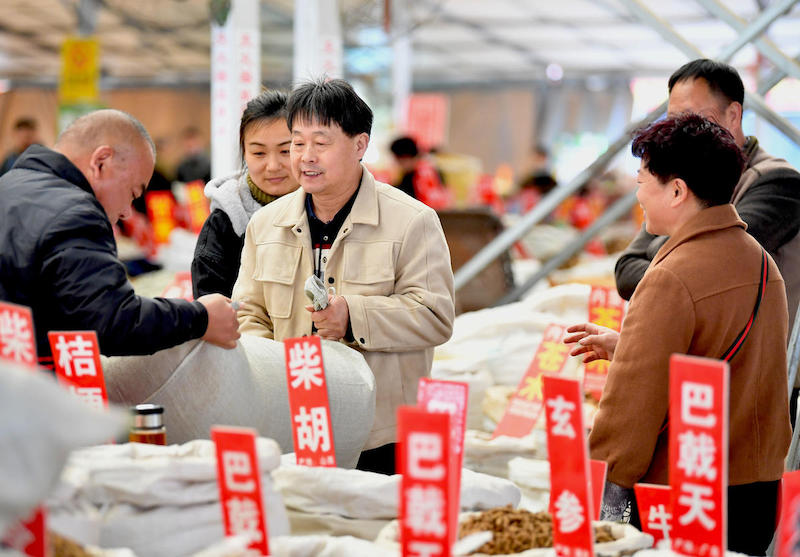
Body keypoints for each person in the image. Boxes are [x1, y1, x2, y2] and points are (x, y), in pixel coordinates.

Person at [566, 114, 790, 555]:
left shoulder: (670, 276)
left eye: (643, 180)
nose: (638, 194)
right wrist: (625, 344)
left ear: (677, 190)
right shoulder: (763, 264)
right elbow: (737, 366)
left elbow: (631, 408)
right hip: (757, 491)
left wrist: (603, 493)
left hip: (684, 495)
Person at [233, 79, 455, 474]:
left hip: (382, 433)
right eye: (297, 143)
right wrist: (269, 374)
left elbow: (434, 316)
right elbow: (249, 312)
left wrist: (352, 316)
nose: (305, 157)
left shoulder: (412, 222)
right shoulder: (266, 225)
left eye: (321, 143)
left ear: (359, 145)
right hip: (295, 424)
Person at [614, 59, 800, 415]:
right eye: (672, 119)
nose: (680, 129)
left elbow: (715, 265)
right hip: (702, 370)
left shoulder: (777, 181)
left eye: (693, 117)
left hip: (767, 384)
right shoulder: (675, 182)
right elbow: (626, 271)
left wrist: (672, 267)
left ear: (733, 115)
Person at [0, 109, 240, 369]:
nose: (127, 211)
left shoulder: (9, 185)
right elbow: (112, 319)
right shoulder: (75, 213)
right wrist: (201, 317)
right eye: (133, 192)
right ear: (101, 161)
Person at [192, 91, 299, 298]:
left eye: (285, 151)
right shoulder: (225, 222)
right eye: (259, 153)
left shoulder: (325, 209)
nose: (273, 166)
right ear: (244, 153)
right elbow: (210, 305)